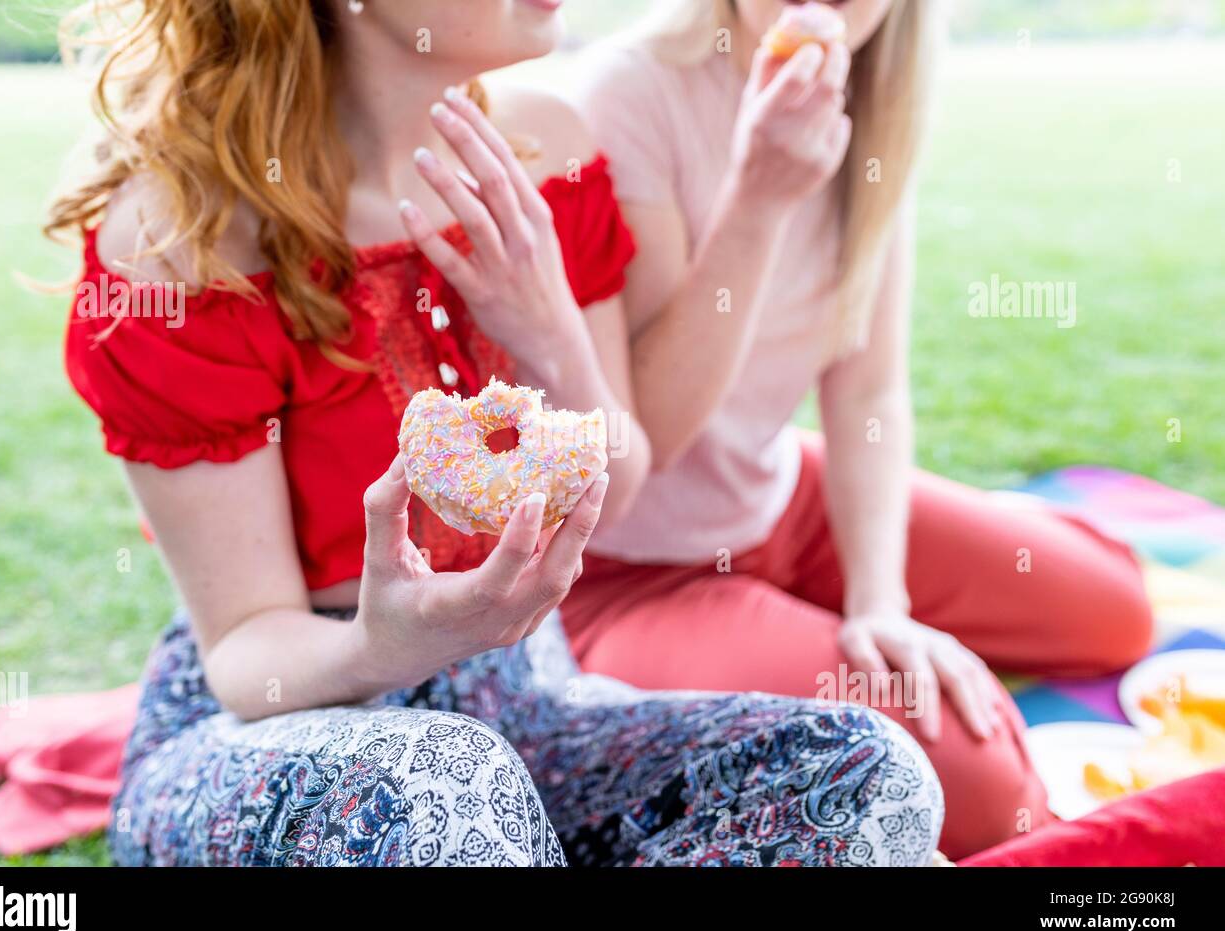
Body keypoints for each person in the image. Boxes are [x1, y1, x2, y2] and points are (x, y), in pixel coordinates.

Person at [48, 0, 943, 866]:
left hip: (522, 706)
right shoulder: (179, 244)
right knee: (452, 791)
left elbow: (618, 483)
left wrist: (548, 327)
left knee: (866, 770)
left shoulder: (547, 151)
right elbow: (245, 651)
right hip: (276, 727)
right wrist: (386, 646)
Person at [562, 0, 1153, 858]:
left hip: (776, 494)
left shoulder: (871, 101)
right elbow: (650, 440)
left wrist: (882, 600)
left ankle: (807, 606)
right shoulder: (627, 96)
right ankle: (777, 624)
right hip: (626, 573)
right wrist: (759, 197)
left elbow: (869, 393)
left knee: (1116, 611)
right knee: (988, 789)